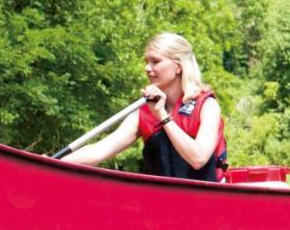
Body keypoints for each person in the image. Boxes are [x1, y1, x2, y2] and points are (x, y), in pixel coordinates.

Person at [63, 32, 228, 181]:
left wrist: (162, 116)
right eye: (146, 62)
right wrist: (51, 162)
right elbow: (99, 150)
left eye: (155, 61)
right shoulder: (142, 112)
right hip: (160, 202)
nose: (147, 68)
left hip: (205, 202)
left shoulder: (207, 106)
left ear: (178, 67)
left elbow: (198, 158)